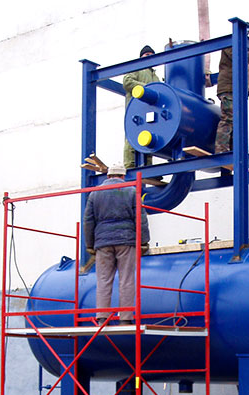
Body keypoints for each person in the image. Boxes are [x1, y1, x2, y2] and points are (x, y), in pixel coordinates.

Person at [84, 165, 150, 325]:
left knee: (103, 279)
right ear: (123, 176)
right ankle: (126, 318)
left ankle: (102, 317)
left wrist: (90, 244)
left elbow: (88, 220)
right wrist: (144, 241)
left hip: (102, 242)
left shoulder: (95, 193)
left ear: (108, 176)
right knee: (126, 279)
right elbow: (140, 218)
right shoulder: (132, 191)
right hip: (126, 240)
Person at [214, 33, 249, 154]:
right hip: (229, 89)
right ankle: (221, 150)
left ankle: (234, 151)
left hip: (239, 92)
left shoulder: (243, 51)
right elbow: (239, 55)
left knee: (237, 123)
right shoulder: (231, 44)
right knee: (229, 118)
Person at [123, 45, 160, 170]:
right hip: (135, 109)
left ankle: (147, 166)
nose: (149, 57)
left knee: (149, 138)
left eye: (152, 55)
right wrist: (147, 89)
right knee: (132, 135)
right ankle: (130, 165)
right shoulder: (137, 69)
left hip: (150, 110)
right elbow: (127, 82)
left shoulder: (155, 77)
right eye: (146, 55)